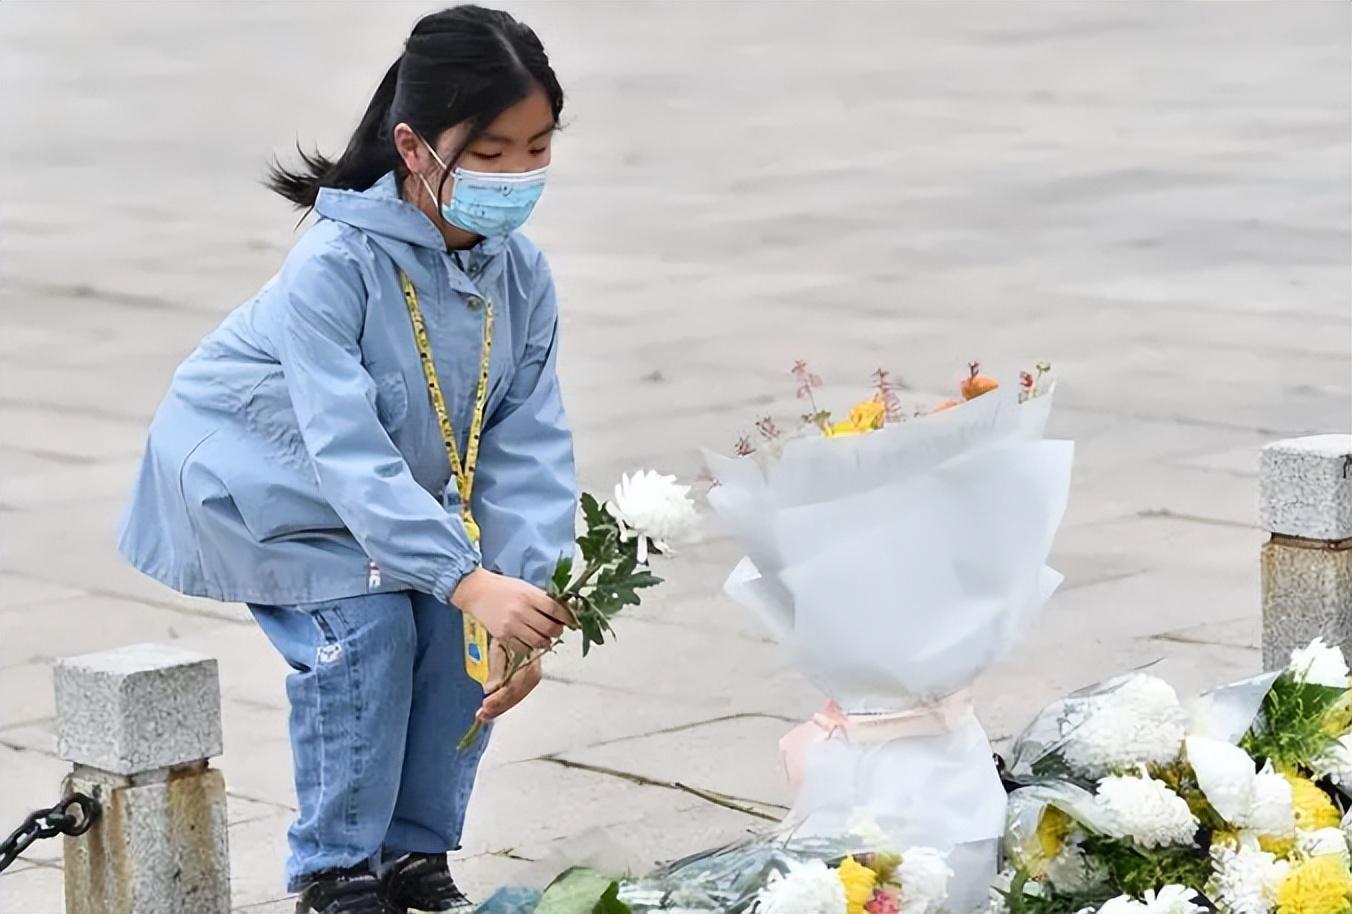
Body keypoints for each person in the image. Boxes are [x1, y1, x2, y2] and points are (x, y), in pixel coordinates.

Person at [117, 7, 577, 913]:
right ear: (413, 146)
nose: (518, 175)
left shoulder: (520, 274)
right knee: (367, 633)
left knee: (461, 634)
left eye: (538, 147)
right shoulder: (333, 265)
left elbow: (528, 443)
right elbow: (345, 447)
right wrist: (459, 572)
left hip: (382, 485)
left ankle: (412, 857)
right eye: (489, 154)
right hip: (267, 474)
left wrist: (521, 598)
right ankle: (333, 873)